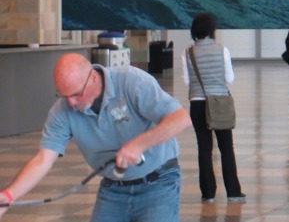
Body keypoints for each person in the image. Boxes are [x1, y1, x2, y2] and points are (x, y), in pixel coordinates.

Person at [0, 52, 191, 222]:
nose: (71, 103)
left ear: (92, 77)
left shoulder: (131, 80)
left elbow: (180, 118)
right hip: (113, 187)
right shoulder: (62, 111)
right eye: (63, 95)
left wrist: (139, 144)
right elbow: (42, 159)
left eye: (76, 94)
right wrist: (8, 196)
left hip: (158, 181)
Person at [182, 13, 246, 204]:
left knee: (204, 148)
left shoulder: (187, 53)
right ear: (212, 30)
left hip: (197, 104)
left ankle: (208, 193)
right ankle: (233, 191)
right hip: (219, 104)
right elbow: (229, 79)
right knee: (226, 148)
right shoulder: (222, 50)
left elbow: (186, 81)